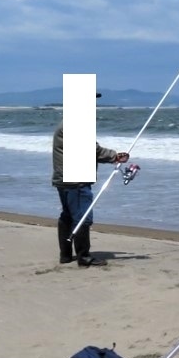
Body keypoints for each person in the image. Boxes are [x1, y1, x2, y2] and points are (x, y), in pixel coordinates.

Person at [51, 108, 129, 267]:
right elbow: (91, 150)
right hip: (75, 179)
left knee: (68, 215)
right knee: (82, 218)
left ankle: (65, 255)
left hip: (63, 177)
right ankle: (83, 256)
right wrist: (114, 156)